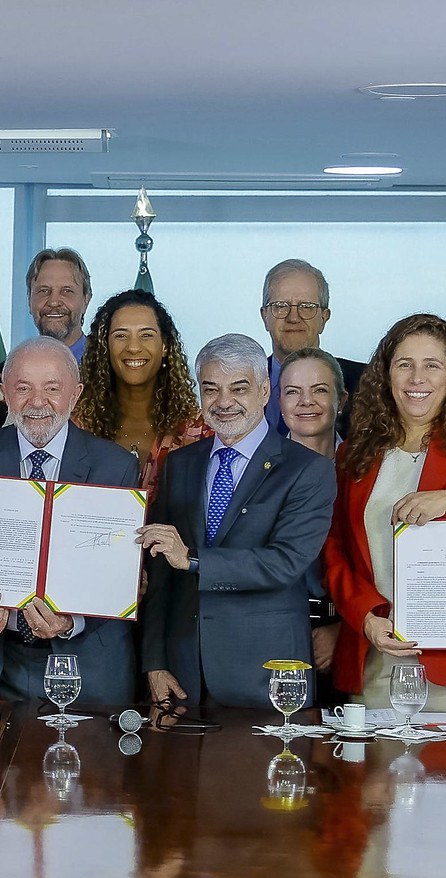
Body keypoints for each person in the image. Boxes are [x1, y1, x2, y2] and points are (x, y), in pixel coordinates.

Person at [322, 314, 446, 709]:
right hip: (378, 655)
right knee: (372, 771)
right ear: (386, 375)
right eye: (405, 365)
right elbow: (334, 548)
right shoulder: (353, 452)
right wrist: (365, 616)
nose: (418, 378)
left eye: (432, 365)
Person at [138, 334, 336, 714]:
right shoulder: (181, 464)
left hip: (267, 673)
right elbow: (161, 569)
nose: (223, 402)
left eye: (238, 388)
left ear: (265, 391)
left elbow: (285, 562)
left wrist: (194, 560)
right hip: (183, 673)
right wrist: (154, 661)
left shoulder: (308, 470)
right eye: (210, 388)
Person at [0, 337, 140, 711]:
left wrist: (73, 620)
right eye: (23, 388)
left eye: (52, 388)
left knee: (88, 768)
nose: (37, 403)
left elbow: (121, 574)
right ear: (5, 393)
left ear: (75, 394)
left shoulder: (116, 466)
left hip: (88, 664)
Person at [72, 288, 206, 494]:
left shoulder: (197, 429)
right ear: (105, 346)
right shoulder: (76, 425)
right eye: (121, 335)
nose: (133, 347)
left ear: (165, 346)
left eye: (146, 335)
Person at [277, 347, 346, 689]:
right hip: (275, 635)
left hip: (352, 634)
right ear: (277, 400)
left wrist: (342, 627)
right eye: (293, 392)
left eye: (319, 390)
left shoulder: (366, 470)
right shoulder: (258, 471)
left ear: (342, 400)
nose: (306, 402)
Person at [259, 259, 366, 427]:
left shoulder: (366, 383)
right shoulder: (241, 386)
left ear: (324, 318)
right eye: (280, 306)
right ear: (265, 317)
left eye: (306, 306)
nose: (293, 317)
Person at [25, 248, 92, 361]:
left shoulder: (113, 372)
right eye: (44, 291)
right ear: (29, 300)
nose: (53, 302)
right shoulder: (4, 374)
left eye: (66, 291)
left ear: (86, 300)